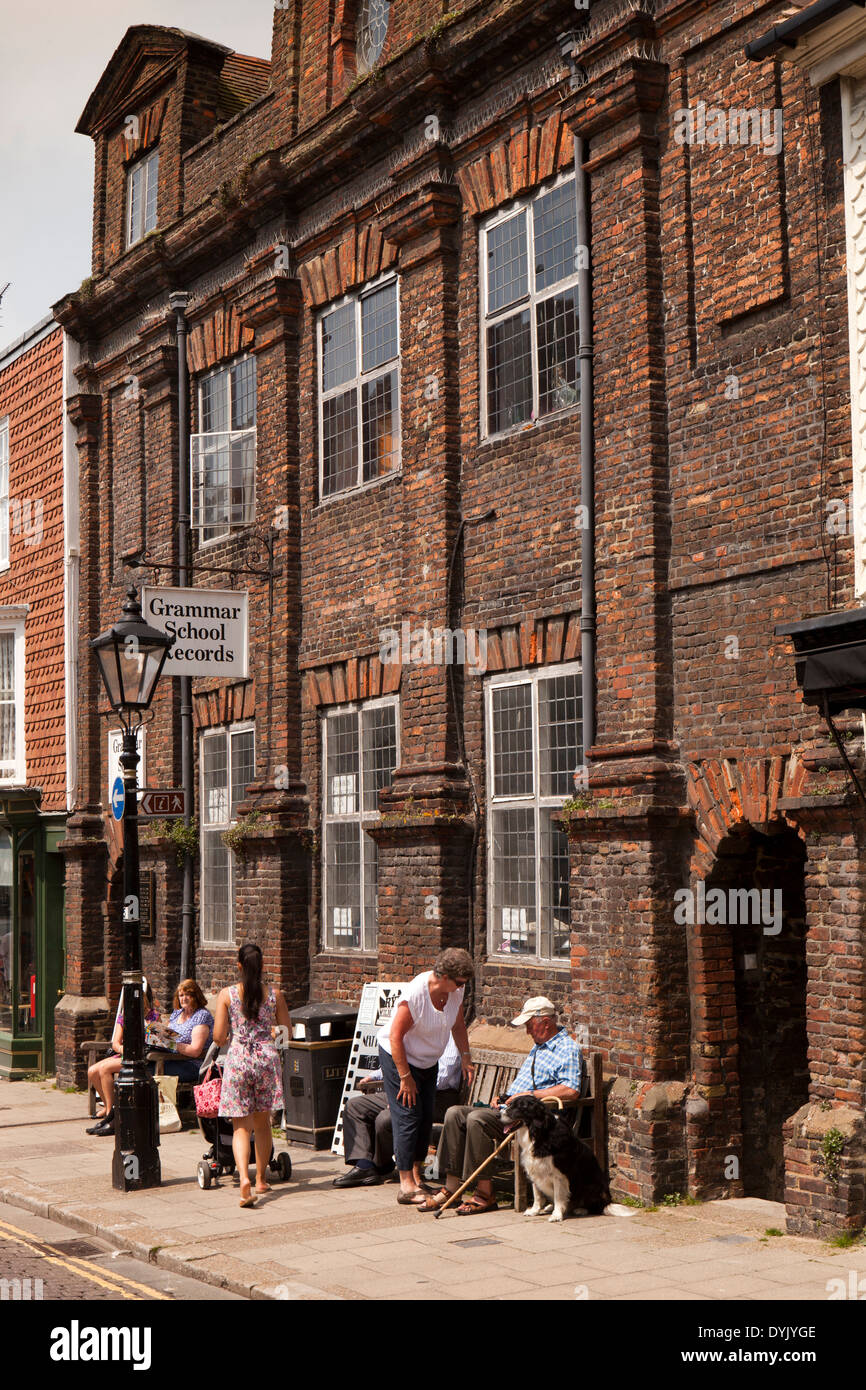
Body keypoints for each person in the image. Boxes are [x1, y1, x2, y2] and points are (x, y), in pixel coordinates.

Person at [418, 996, 583, 1215]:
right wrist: (504, 1097)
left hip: (533, 1121)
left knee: (476, 1120)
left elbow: (571, 1091)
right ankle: (451, 1186)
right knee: (455, 1113)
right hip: (510, 1111)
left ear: (546, 1022)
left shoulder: (566, 1049)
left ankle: (485, 1194)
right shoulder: (539, 1046)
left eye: (530, 1025)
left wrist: (530, 1096)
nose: (527, 1032)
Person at [377, 947, 475, 1206]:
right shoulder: (417, 994)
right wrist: (405, 1076)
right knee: (407, 1114)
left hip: (428, 1060)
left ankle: (417, 1177)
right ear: (443, 976)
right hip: (400, 1057)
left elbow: (457, 1024)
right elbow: (396, 1036)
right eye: (459, 982)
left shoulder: (455, 990)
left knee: (424, 1115)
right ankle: (405, 1184)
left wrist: (465, 1055)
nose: (462, 987)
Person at [213, 943, 291, 1208]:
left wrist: (233, 1034)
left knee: (240, 1128)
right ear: (262, 965)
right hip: (266, 1061)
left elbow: (219, 1036)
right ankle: (260, 1179)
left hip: (239, 1061)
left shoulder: (227, 995)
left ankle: (243, 1178)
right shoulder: (274, 995)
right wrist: (269, 1033)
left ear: (239, 965)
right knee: (263, 1124)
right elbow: (285, 1033)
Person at [333, 1036, 463, 1188]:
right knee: (355, 1106)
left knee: (386, 1118)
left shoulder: (449, 1037)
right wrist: (376, 1076)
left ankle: (381, 1164)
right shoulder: (419, 1031)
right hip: (404, 1089)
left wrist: (401, 1090)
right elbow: (400, 1062)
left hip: (435, 1097)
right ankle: (365, 1166)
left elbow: (441, 1078)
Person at [86, 978, 159, 1136]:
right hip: (125, 1053)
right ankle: (108, 1107)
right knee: (92, 1071)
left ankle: (112, 1116)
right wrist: (123, 1049)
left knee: (105, 1069)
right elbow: (116, 1043)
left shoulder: (153, 1017)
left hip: (141, 1055)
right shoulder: (124, 1016)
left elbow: (154, 1040)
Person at [148, 979, 213, 1082]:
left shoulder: (201, 1015)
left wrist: (170, 1043)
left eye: (188, 995)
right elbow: (167, 1034)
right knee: (142, 1065)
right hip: (169, 1058)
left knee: (146, 1072)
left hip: (192, 1064)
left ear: (196, 996)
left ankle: (156, 1098)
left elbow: (195, 1051)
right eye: (181, 995)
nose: (184, 999)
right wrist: (154, 1032)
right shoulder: (178, 1012)